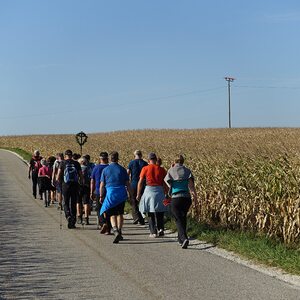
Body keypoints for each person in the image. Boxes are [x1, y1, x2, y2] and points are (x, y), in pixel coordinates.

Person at [164, 155, 198, 249]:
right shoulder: (187, 171)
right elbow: (191, 187)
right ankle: (180, 239)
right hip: (186, 198)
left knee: (178, 218)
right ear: (183, 161)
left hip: (176, 197)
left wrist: (171, 169)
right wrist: (195, 199)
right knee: (183, 217)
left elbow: (167, 182)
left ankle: (184, 238)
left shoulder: (171, 171)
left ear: (174, 161)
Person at [99, 151, 132, 243]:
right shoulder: (122, 169)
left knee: (112, 214)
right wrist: (130, 194)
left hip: (111, 193)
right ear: (118, 158)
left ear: (110, 159)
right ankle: (120, 230)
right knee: (120, 213)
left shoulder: (105, 170)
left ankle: (115, 230)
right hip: (121, 193)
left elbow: (102, 185)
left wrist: (101, 196)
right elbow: (127, 184)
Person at [137, 153, 168, 238]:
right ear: (155, 159)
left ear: (148, 160)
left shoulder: (145, 168)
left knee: (150, 211)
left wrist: (138, 194)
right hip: (160, 191)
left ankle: (153, 232)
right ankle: (161, 228)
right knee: (160, 210)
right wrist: (167, 192)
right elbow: (165, 183)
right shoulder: (162, 169)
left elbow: (140, 182)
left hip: (149, 190)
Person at [56, 150, 82, 229]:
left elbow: (58, 177)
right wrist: (80, 183)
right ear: (71, 155)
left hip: (65, 185)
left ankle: (68, 216)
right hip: (74, 185)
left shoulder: (62, 163)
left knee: (66, 202)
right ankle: (73, 221)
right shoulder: (76, 163)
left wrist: (59, 183)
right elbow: (81, 176)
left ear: (65, 155)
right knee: (73, 203)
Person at [90, 152, 111, 233]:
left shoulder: (96, 168)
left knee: (99, 209)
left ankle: (102, 223)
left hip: (99, 190)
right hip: (109, 190)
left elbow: (92, 181)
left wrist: (91, 192)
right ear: (107, 159)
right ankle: (108, 228)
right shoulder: (109, 167)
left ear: (100, 159)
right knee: (108, 209)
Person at [127, 150, 148, 225]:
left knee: (133, 201)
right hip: (143, 184)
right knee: (142, 202)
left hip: (134, 184)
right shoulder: (145, 163)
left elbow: (128, 173)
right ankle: (141, 217)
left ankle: (137, 217)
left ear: (135, 155)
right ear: (141, 155)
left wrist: (127, 183)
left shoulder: (131, 163)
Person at [77, 157, 92, 225]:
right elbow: (91, 177)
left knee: (78, 202)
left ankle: (79, 216)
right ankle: (86, 218)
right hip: (86, 186)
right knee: (86, 202)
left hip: (78, 186)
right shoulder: (88, 168)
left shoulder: (77, 168)